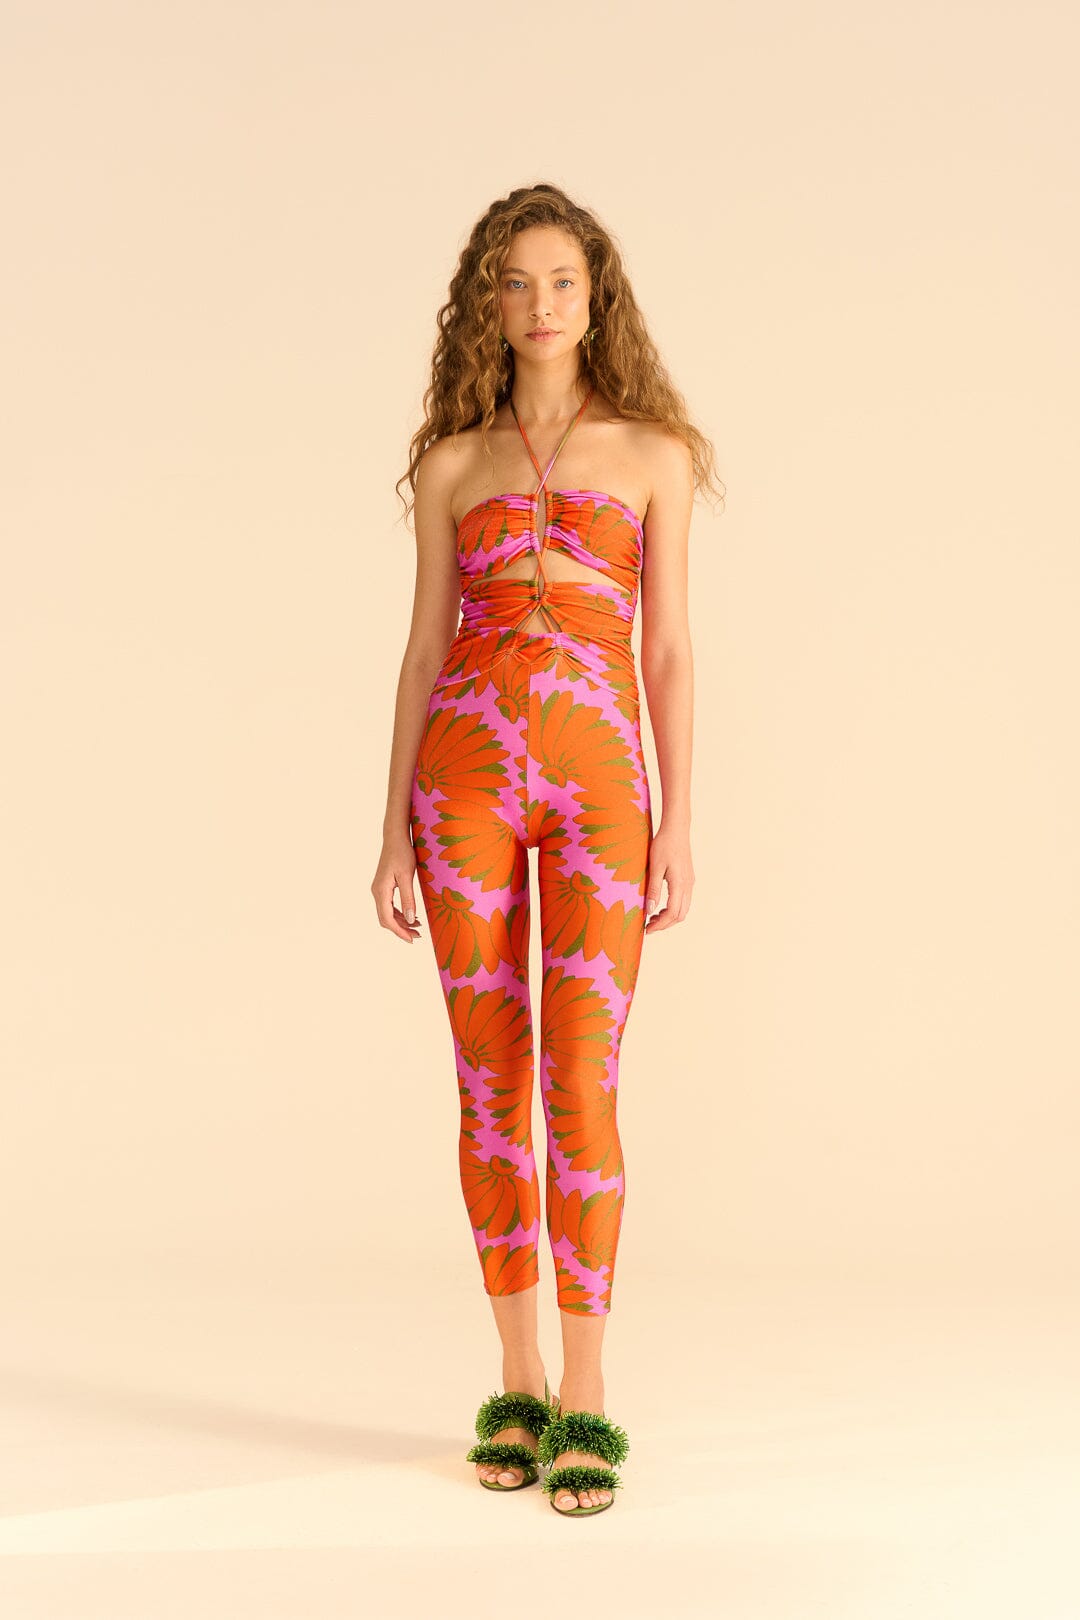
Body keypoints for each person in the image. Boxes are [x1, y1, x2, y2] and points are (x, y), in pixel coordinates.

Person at [372, 182, 722, 1516]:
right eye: (514, 281)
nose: (540, 303)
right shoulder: (450, 465)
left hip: (601, 791)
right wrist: (389, 828)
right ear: (488, 302)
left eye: (562, 279)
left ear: (596, 295)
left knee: (580, 1080)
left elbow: (667, 649)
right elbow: (422, 650)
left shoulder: (654, 452)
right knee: (486, 1080)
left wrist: (680, 817)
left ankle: (587, 1390)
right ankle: (516, 1377)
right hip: (462, 784)